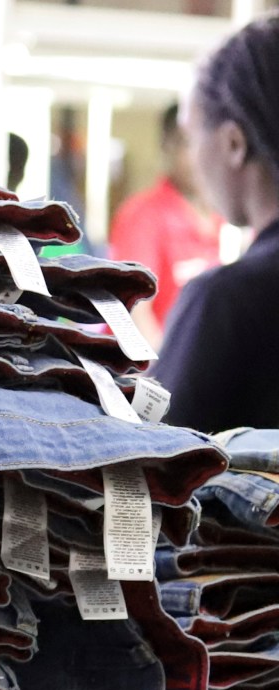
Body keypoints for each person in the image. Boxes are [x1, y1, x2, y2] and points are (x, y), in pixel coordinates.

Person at [157, 16, 279, 432]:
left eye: (192, 137)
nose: (193, 158)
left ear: (233, 143)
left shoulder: (225, 302)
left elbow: (145, 472)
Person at [109, 104, 223, 341]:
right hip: (155, 368)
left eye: (204, 141)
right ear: (166, 146)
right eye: (186, 143)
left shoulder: (224, 216)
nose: (197, 155)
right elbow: (135, 311)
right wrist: (168, 372)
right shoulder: (143, 216)